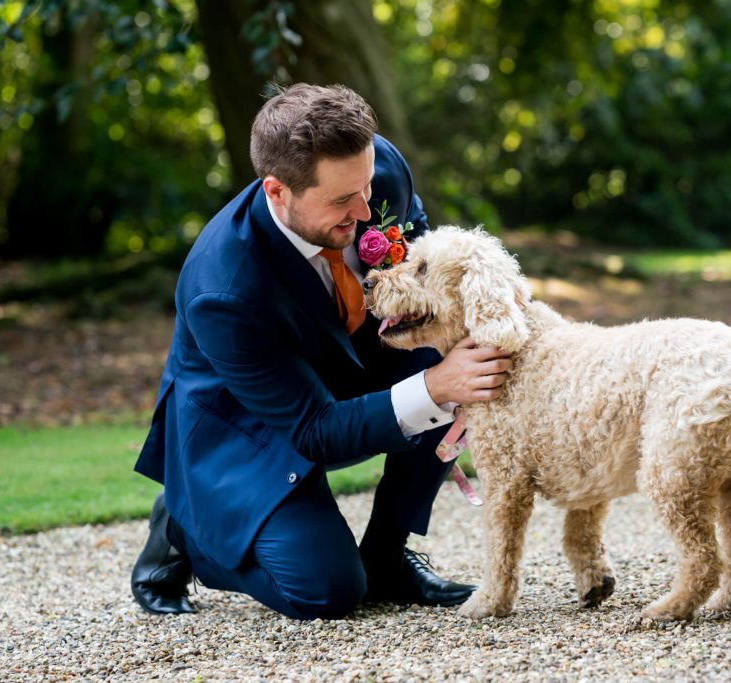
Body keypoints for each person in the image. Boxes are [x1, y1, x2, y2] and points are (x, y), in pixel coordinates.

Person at [130, 83, 511, 620]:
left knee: (446, 350)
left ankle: (386, 556)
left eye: (367, 186)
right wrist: (435, 388)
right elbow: (313, 431)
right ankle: (188, 525)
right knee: (326, 591)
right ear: (278, 191)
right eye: (341, 201)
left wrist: (459, 367)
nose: (365, 209)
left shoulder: (377, 176)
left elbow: (431, 285)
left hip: (346, 361)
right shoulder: (225, 289)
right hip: (248, 422)